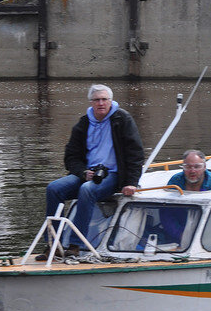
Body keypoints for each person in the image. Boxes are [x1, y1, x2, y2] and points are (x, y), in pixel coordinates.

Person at [43, 84, 144, 255]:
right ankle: (53, 243)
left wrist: (132, 183)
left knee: (87, 190)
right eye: (97, 100)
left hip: (113, 175)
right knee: (53, 188)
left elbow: (136, 154)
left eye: (104, 99)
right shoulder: (83, 123)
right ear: (91, 103)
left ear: (111, 101)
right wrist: (83, 172)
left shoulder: (122, 120)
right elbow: (71, 157)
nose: (101, 103)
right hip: (87, 173)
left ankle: (75, 245)